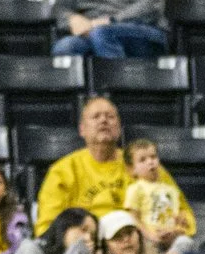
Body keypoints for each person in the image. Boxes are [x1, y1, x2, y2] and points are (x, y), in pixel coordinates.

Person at [33, 97, 133, 229]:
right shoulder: (62, 171)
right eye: (96, 117)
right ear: (82, 129)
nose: (103, 120)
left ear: (119, 128)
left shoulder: (141, 164)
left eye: (110, 116)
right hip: (84, 240)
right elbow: (47, 226)